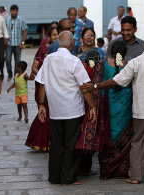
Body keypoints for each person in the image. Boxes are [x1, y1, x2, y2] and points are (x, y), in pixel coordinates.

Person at [80, 31, 144, 185]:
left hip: (140, 111)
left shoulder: (135, 62)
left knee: (138, 143)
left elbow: (117, 81)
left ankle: (136, 176)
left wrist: (95, 86)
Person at [36, 31, 97, 185]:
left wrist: (41, 105)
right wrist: (92, 106)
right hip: (72, 109)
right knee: (71, 144)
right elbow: (84, 87)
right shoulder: (74, 61)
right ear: (72, 44)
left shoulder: (48, 59)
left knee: (56, 144)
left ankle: (55, 177)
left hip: (56, 110)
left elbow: (41, 83)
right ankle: (68, 177)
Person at [97, 40, 133, 179]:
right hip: (125, 106)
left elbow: (98, 84)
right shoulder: (129, 65)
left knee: (108, 134)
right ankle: (122, 170)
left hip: (108, 105)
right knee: (124, 135)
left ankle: (107, 170)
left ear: (111, 51)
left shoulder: (103, 64)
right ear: (125, 52)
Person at [25, 26, 59, 152]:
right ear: (49, 37)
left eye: (57, 34)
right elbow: (34, 67)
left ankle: (48, 141)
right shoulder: (43, 49)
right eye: (54, 35)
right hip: (43, 84)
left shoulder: (61, 50)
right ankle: (38, 141)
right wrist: (44, 75)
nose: (56, 37)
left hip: (56, 84)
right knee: (45, 111)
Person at [6, 4, 28, 82]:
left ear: (17, 11)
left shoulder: (21, 20)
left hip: (18, 44)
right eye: (13, 11)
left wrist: (23, 42)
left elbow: (25, 30)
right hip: (9, 44)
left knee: (17, 61)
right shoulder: (7, 20)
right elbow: (4, 31)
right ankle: (9, 74)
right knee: (8, 59)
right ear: (10, 11)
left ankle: (16, 75)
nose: (14, 12)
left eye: (16, 11)